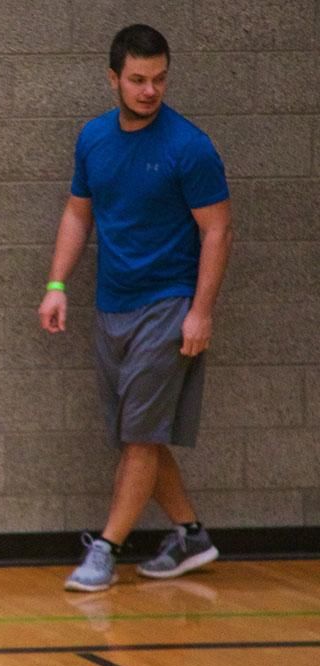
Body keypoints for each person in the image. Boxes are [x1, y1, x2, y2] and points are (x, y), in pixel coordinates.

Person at [38, 25, 233, 592]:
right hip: (111, 306)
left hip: (168, 305)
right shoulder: (94, 138)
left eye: (160, 79)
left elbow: (217, 232)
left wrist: (201, 312)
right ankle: (190, 534)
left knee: (142, 437)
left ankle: (106, 549)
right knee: (136, 433)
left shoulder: (189, 147)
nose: (150, 90)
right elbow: (78, 212)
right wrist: (57, 283)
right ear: (114, 79)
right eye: (139, 79)